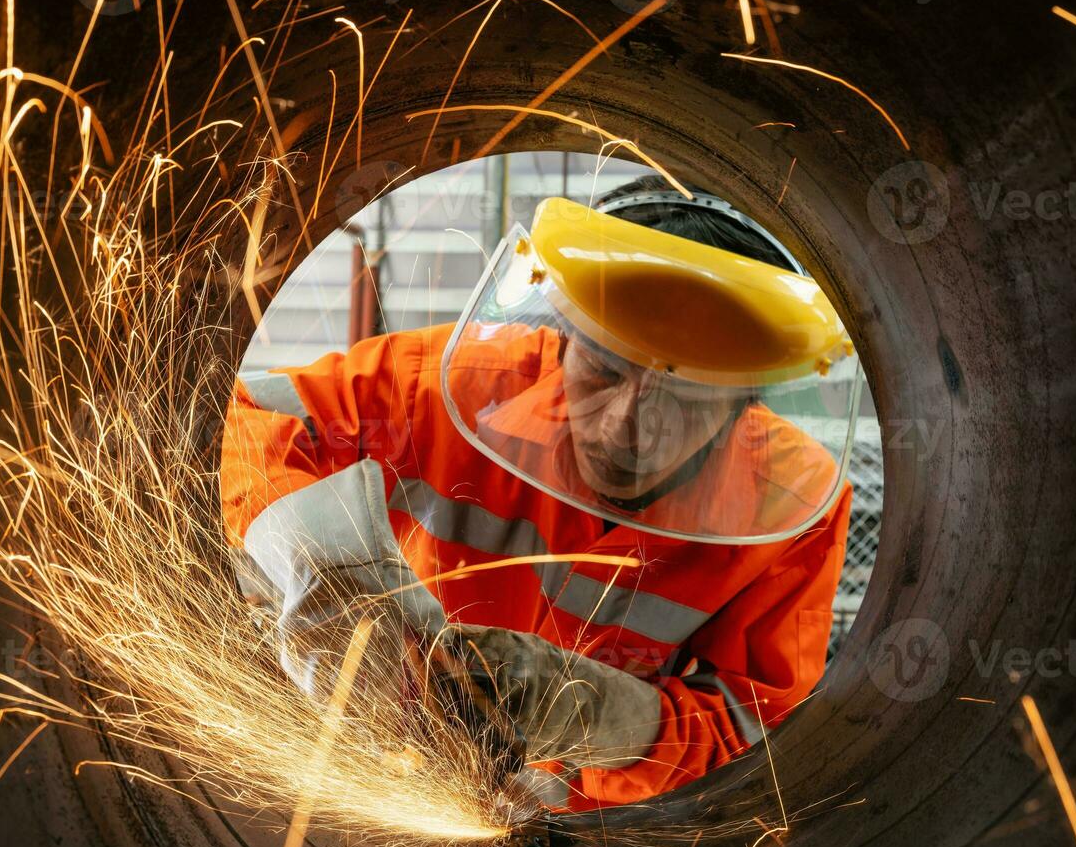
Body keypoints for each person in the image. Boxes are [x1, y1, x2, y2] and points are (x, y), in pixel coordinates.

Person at [221, 175, 857, 812]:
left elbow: (754, 734)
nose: (623, 429)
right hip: (386, 766)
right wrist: (327, 569)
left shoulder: (792, 508)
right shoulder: (446, 391)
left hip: (598, 843)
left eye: (685, 398)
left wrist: (607, 718)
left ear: (745, 400)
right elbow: (242, 421)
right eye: (602, 371)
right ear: (564, 335)